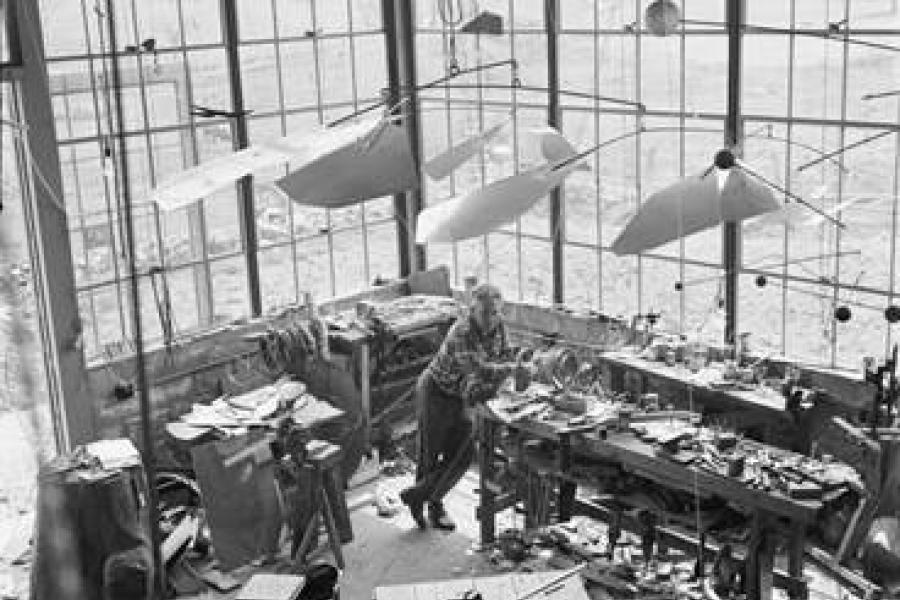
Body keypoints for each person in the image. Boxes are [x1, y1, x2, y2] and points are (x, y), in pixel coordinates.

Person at [400, 283, 529, 530]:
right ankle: (427, 505)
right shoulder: (462, 331)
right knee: (430, 455)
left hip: (460, 395)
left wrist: (517, 364)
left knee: (463, 454)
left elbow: (505, 356)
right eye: (484, 313)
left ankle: (420, 496)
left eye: (495, 313)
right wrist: (512, 370)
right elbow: (478, 368)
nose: (490, 319)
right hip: (436, 391)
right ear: (473, 309)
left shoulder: (499, 326)